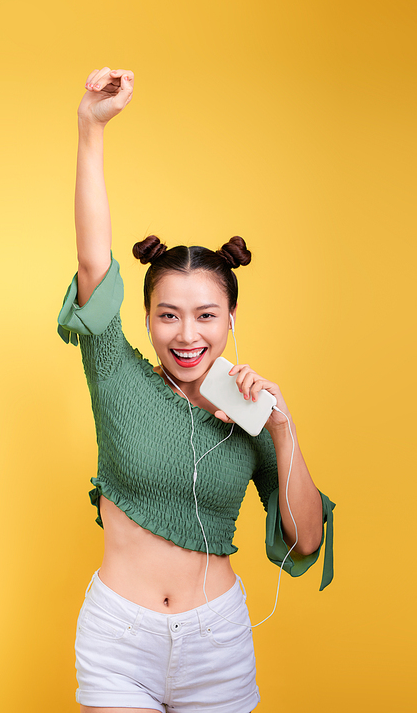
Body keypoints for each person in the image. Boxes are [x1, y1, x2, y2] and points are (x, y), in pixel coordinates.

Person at [57, 66, 335, 713]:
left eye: (206, 315)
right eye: (168, 314)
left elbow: (305, 541)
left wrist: (282, 429)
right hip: (119, 639)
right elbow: (94, 263)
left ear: (230, 319)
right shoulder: (117, 375)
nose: (187, 333)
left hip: (218, 646)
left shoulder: (249, 413)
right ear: (146, 316)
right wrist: (90, 129)